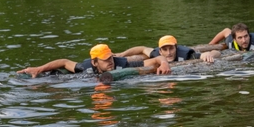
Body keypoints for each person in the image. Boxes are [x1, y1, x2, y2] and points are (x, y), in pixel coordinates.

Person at [19, 43, 171, 77]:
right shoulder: (85, 67)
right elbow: (65, 62)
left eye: (110, 58)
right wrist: (38, 69)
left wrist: (164, 63)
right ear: (95, 62)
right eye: (105, 60)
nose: (110, 62)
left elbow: (155, 59)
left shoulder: (121, 63)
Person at [118, 35, 218, 64]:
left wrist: (209, 55)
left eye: (171, 49)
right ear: (160, 51)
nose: (168, 53)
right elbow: (142, 48)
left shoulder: (186, 55)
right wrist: (122, 54)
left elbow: (216, 52)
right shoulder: (156, 53)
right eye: (165, 50)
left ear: (176, 48)